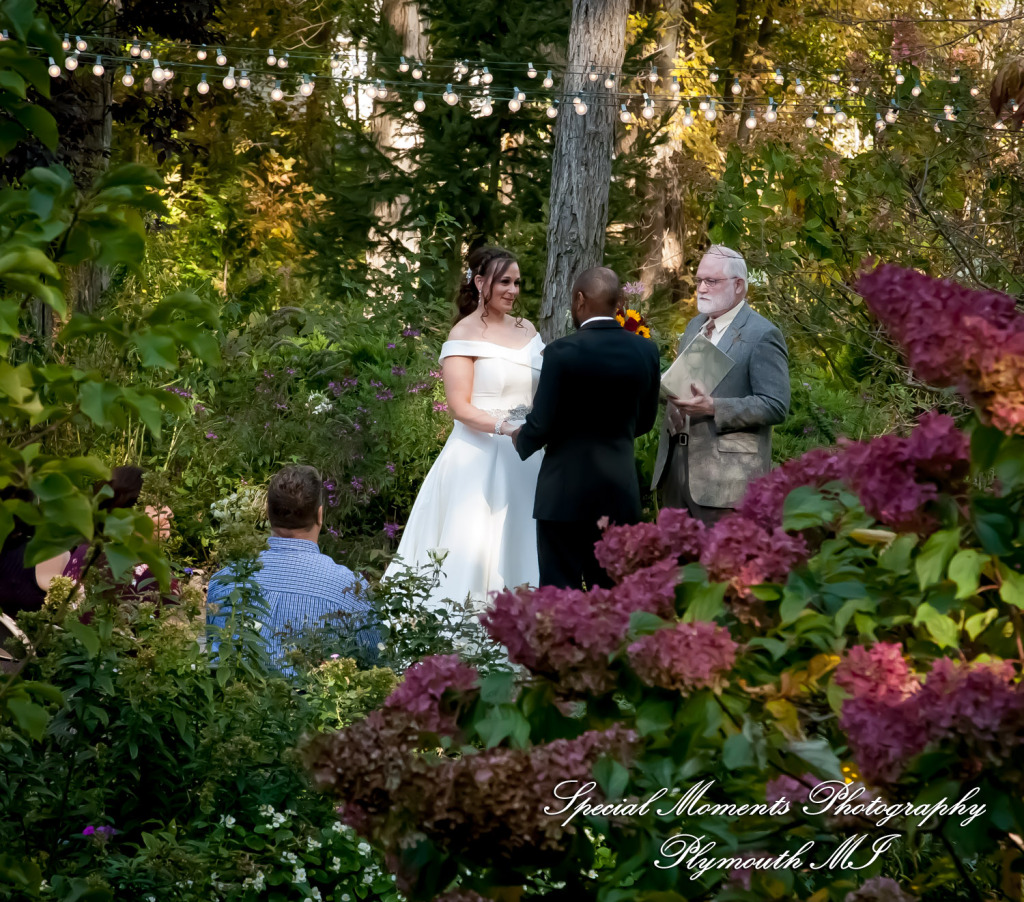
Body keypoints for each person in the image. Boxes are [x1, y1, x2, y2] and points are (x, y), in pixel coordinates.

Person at [382, 246, 545, 612]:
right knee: (473, 546)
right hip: (480, 457)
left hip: (529, 459)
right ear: (480, 281)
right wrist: (506, 428)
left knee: (525, 544)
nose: (513, 290)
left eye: (517, 283)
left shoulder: (529, 329)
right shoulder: (463, 334)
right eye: (505, 281)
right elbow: (460, 406)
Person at [510, 266, 661, 590]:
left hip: (563, 495)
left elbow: (542, 422)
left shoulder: (561, 352)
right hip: (619, 494)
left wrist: (520, 438)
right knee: (613, 595)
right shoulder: (645, 350)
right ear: (618, 303)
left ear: (580, 300)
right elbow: (645, 421)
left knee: (559, 595)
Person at [651, 245, 790, 525]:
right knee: (675, 566)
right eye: (699, 280)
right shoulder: (694, 327)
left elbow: (776, 406)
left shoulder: (763, 334)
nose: (701, 288)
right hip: (675, 472)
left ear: (739, 286)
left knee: (722, 568)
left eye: (711, 281)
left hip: (726, 484)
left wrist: (714, 407)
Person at [207, 464, 380, 665]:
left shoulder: (223, 582)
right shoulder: (352, 589)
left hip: (236, 694)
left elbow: (216, 661)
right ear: (320, 515)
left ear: (267, 512)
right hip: (317, 694)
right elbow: (375, 662)